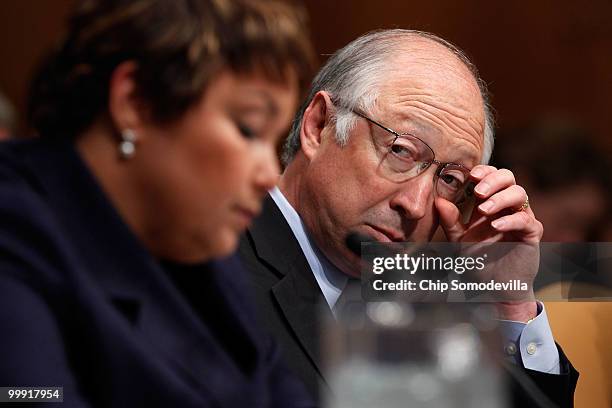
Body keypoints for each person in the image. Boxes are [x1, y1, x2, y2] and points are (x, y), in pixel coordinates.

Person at [0, 0, 317, 406]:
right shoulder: (13, 234)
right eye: (248, 128)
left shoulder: (200, 245)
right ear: (136, 102)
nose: (268, 174)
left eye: (273, 141)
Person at [239, 29, 579, 407]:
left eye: (449, 178)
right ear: (319, 126)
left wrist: (509, 304)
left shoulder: (432, 302)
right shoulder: (211, 263)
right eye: (401, 151)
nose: (416, 204)